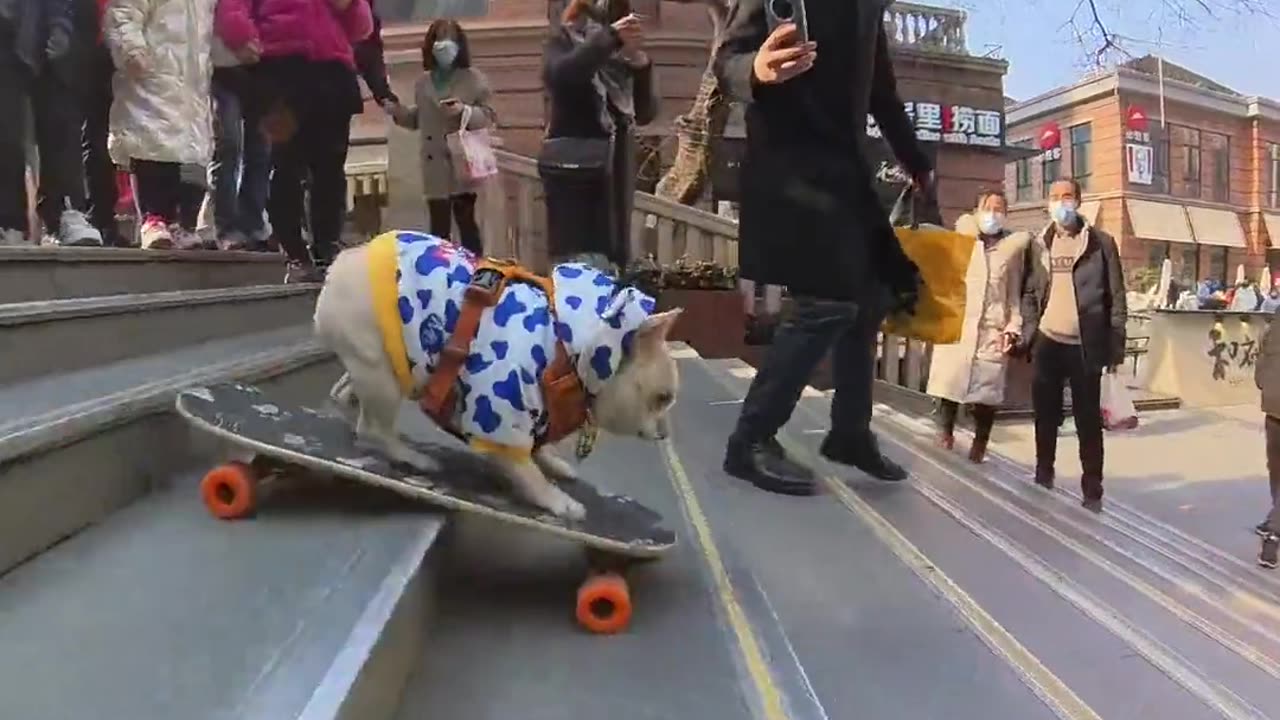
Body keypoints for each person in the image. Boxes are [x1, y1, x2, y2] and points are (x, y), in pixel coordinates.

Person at [713, 1, 933, 495]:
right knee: (826, 302)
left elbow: (880, 90)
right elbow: (727, 60)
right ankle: (749, 440)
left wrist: (917, 160)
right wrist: (757, 69)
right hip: (789, 168)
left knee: (870, 295)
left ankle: (850, 433)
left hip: (846, 169)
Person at [216, 0, 373, 281]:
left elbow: (362, 27)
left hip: (332, 69)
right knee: (285, 163)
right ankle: (294, 252)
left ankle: (327, 248)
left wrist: (350, 7)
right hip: (280, 70)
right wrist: (245, 36)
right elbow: (233, 9)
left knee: (330, 168)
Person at [1018, 178, 1126, 512]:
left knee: (1088, 421)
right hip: (1048, 343)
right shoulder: (1039, 243)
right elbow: (1029, 292)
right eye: (1054, 197)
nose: (1060, 203)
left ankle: (1092, 487)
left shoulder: (1100, 243)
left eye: (1067, 196)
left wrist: (1115, 348)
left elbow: (1116, 297)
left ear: (1079, 201)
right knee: (1045, 415)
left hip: (1085, 346)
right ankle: (1043, 470)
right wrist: (1029, 332)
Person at [542, 0, 657, 269]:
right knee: (580, 261)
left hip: (616, 172)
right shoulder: (563, 42)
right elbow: (562, 76)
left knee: (614, 257)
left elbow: (646, 112)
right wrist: (610, 39)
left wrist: (640, 65)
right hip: (575, 171)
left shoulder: (619, 55)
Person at [927, 190, 1029, 463]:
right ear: (977, 210)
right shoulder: (961, 241)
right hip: (958, 324)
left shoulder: (1011, 251)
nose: (993, 214)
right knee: (947, 386)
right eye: (988, 207)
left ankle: (979, 444)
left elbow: (1013, 295)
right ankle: (944, 435)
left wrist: (1013, 327)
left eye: (999, 209)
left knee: (986, 395)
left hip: (990, 331)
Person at [105, 0, 216, 249]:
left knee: (188, 152)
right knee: (151, 141)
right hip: (152, 71)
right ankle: (152, 218)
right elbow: (124, 10)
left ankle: (178, 221)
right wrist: (130, 48)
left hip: (191, 80)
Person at [386, 19, 495, 254]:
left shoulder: (473, 79)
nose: (444, 46)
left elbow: (488, 115)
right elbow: (419, 118)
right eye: (438, 39)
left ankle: (475, 274)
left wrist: (463, 111)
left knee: (467, 225)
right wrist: (398, 113)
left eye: (449, 39)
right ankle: (441, 277)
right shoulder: (423, 82)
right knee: (438, 230)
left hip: (462, 163)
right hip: (434, 166)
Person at [0, 0, 103, 246]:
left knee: (61, 121)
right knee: (6, 128)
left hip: (54, 17)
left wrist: (62, 23)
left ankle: (65, 211)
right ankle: (8, 222)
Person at [209, 19, 271, 251]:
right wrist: (241, 38)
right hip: (223, 65)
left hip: (263, 67)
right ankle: (226, 226)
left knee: (261, 150)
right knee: (228, 145)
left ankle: (253, 222)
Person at [81, 0, 126, 246]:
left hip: (120, 49)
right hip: (93, 48)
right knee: (96, 139)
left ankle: (106, 218)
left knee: (112, 139)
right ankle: (100, 218)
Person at [1254, 303, 1280, 568]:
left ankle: (1274, 520)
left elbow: (1261, 364)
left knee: (1276, 468)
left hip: (1273, 404)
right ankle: (1274, 530)